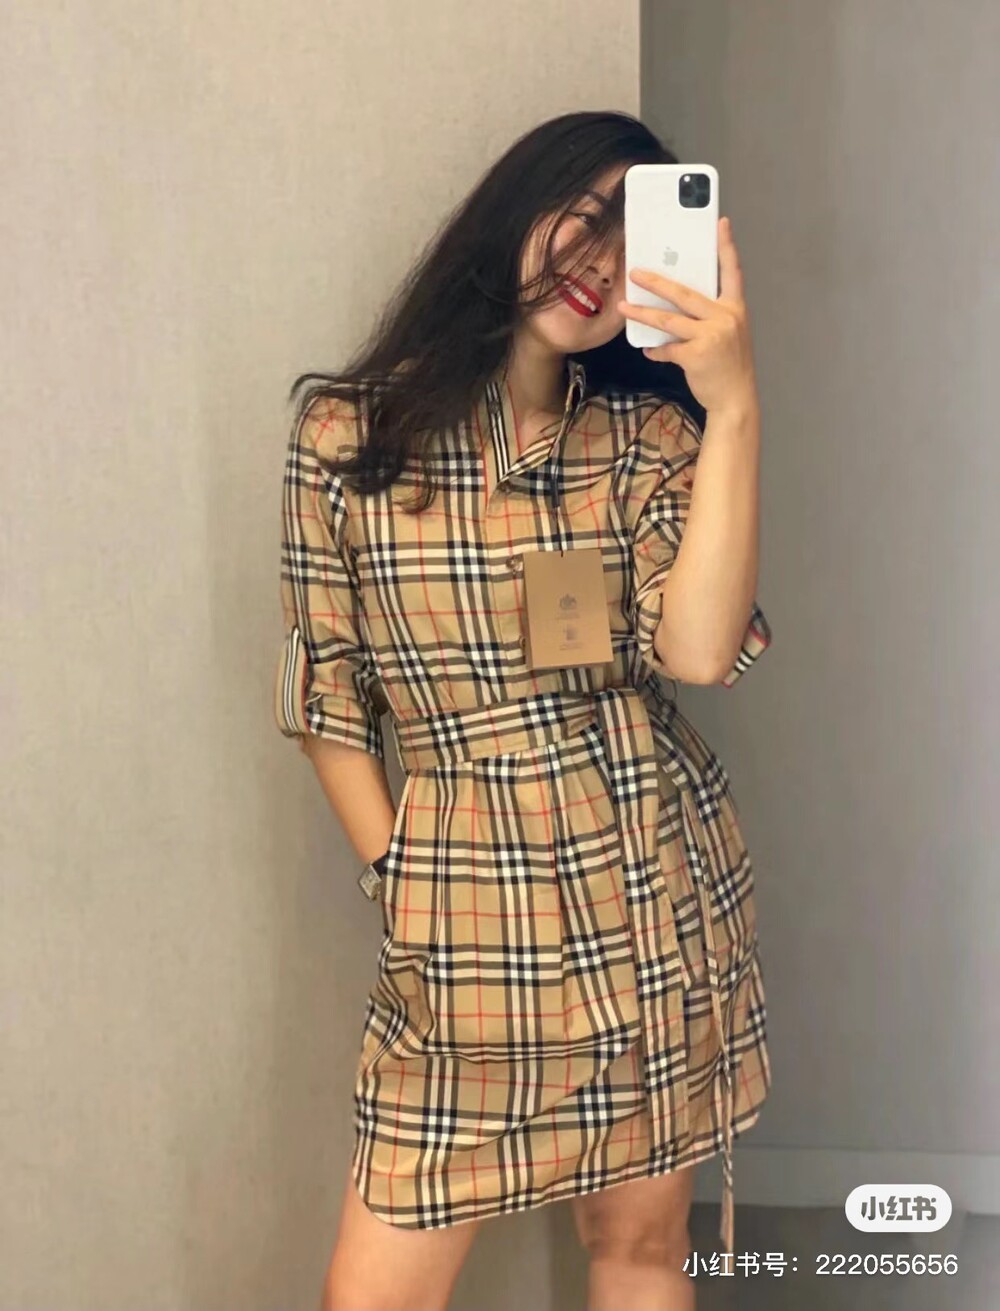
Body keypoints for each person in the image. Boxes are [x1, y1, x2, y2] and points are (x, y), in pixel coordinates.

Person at [274, 110, 772, 1311]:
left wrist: (735, 407)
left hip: (645, 885)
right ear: (514, 208)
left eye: (633, 241)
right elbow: (326, 690)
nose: (599, 260)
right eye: (581, 216)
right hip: (463, 909)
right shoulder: (347, 433)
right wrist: (398, 879)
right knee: (373, 1292)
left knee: (638, 1245)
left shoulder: (646, 439)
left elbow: (699, 651)